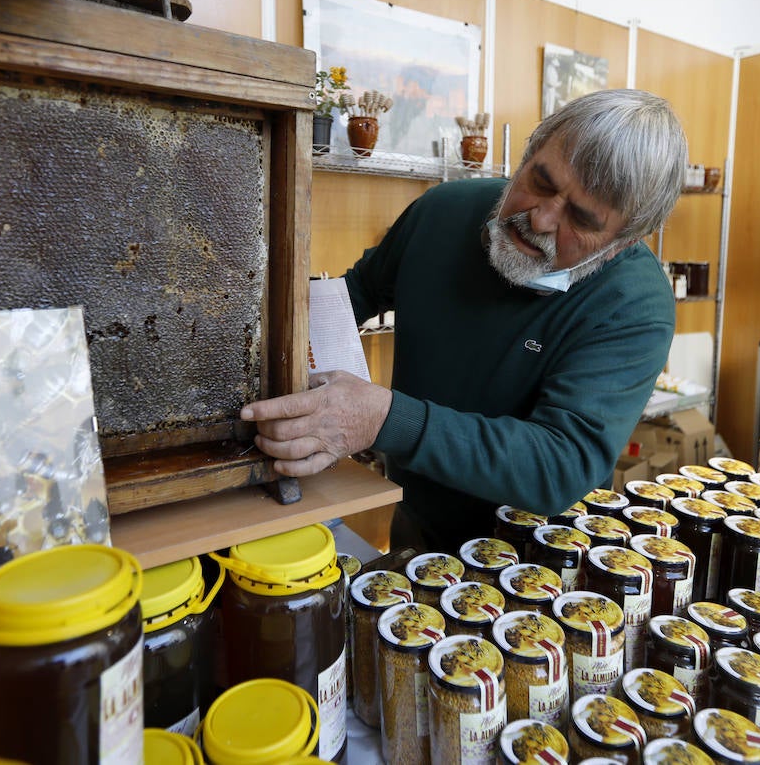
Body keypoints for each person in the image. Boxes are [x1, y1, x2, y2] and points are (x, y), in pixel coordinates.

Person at [241, 89, 688, 550]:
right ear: (529, 153)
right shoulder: (443, 211)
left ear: (621, 241)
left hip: (531, 554)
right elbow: (357, 294)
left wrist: (382, 419)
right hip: (417, 521)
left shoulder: (634, 304)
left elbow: (561, 462)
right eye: (541, 181)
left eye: (580, 218)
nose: (540, 219)